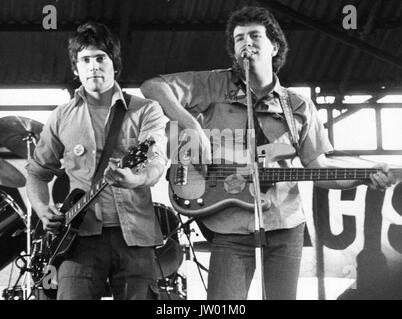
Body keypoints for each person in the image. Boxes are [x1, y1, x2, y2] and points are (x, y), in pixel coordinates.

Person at [140, 6, 396, 300]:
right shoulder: (212, 84)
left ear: (274, 46)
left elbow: (320, 168)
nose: (245, 43)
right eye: (238, 39)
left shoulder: (297, 106)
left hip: (285, 227)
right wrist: (191, 125)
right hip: (230, 227)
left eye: (253, 36)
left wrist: (363, 177)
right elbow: (153, 86)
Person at [26, 22, 167, 300]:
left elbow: (156, 163)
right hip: (78, 240)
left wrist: (134, 179)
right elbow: (36, 173)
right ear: (75, 68)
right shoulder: (61, 116)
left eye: (100, 57)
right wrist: (43, 209)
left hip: (135, 236)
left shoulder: (145, 110)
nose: (93, 66)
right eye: (85, 60)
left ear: (114, 62)